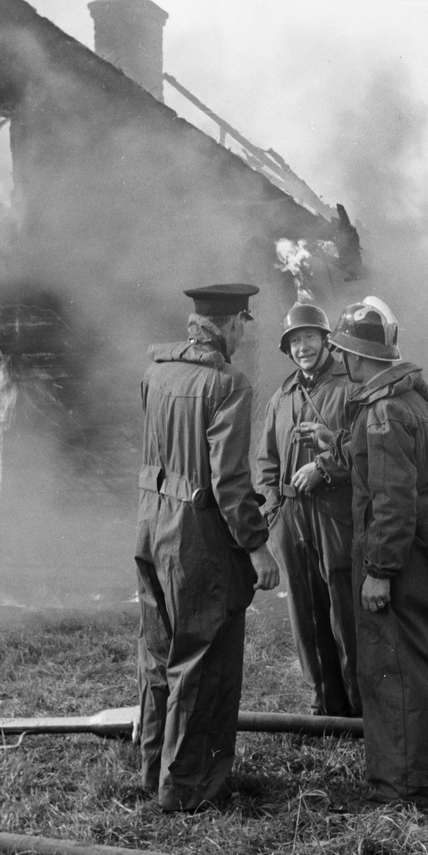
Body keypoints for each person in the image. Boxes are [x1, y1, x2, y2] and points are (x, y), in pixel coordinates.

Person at [301, 296, 428, 805]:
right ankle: (413, 780)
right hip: (425, 554)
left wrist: (378, 571)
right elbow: (383, 465)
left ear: (359, 355)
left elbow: (392, 501)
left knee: (392, 675)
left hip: (399, 562)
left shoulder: (383, 412)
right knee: (413, 671)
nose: (341, 359)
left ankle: (402, 794)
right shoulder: (410, 400)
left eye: (343, 352)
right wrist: (336, 443)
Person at [136, 282, 281, 812]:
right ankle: (188, 789)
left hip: (150, 525)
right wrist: (257, 547)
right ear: (232, 324)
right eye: (243, 326)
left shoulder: (155, 373)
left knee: (159, 653)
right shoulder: (228, 384)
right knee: (203, 659)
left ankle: (154, 772)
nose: (244, 336)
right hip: (197, 535)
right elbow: (230, 481)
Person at [255, 302, 360, 717]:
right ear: (288, 349)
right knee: (305, 611)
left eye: (310, 338)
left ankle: (359, 707)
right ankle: (325, 705)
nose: (303, 348)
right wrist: (273, 513)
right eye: (295, 341)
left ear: (326, 340)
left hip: (335, 514)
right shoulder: (281, 398)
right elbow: (265, 461)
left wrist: (324, 466)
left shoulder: (350, 389)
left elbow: (366, 450)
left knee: (344, 608)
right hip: (291, 517)